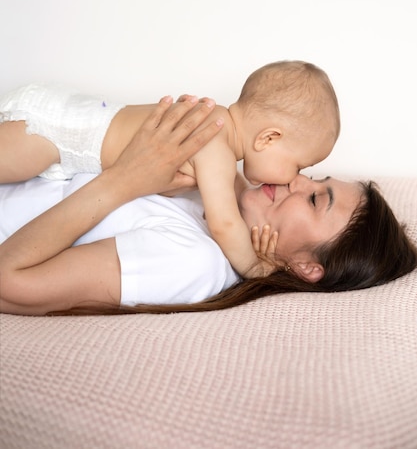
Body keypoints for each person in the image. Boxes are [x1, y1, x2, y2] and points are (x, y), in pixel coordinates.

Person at [0, 96, 416, 317]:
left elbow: (9, 283)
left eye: (314, 198)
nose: (296, 178)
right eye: (313, 175)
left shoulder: (195, 262)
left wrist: (125, 180)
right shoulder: (223, 193)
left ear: (308, 267)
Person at [0, 60, 340, 278]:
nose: (294, 178)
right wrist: (256, 268)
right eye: (300, 165)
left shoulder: (216, 125)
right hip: (46, 135)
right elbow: (223, 223)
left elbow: (228, 192)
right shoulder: (215, 147)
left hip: (57, 116)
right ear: (268, 138)